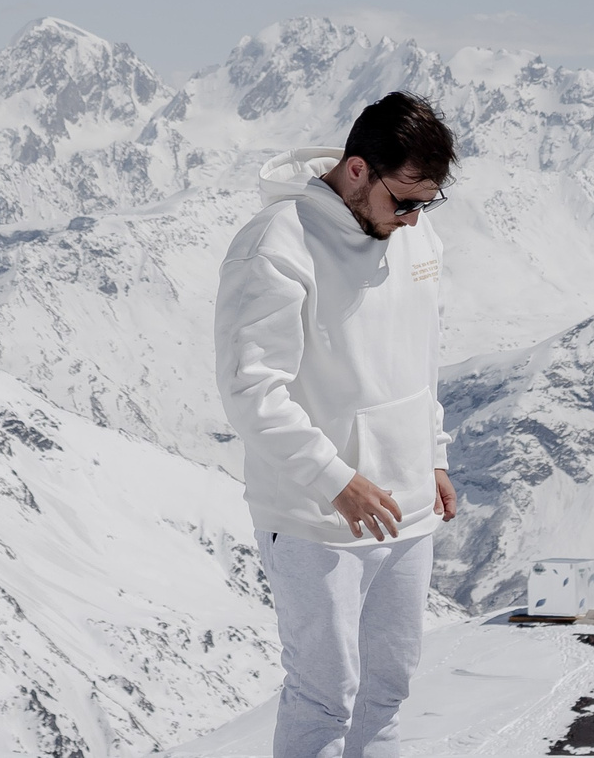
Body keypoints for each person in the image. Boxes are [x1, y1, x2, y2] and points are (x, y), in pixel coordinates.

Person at [215, 91, 459, 758]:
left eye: (427, 203)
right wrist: (336, 480)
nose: (413, 219)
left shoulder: (415, 235)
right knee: (324, 699)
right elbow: (251, 390)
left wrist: (432, 453)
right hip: (314, 518)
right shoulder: (276, 243)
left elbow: (422, 356)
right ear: (356, 170)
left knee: (386, 694)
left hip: (407, 512)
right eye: (403, 201)